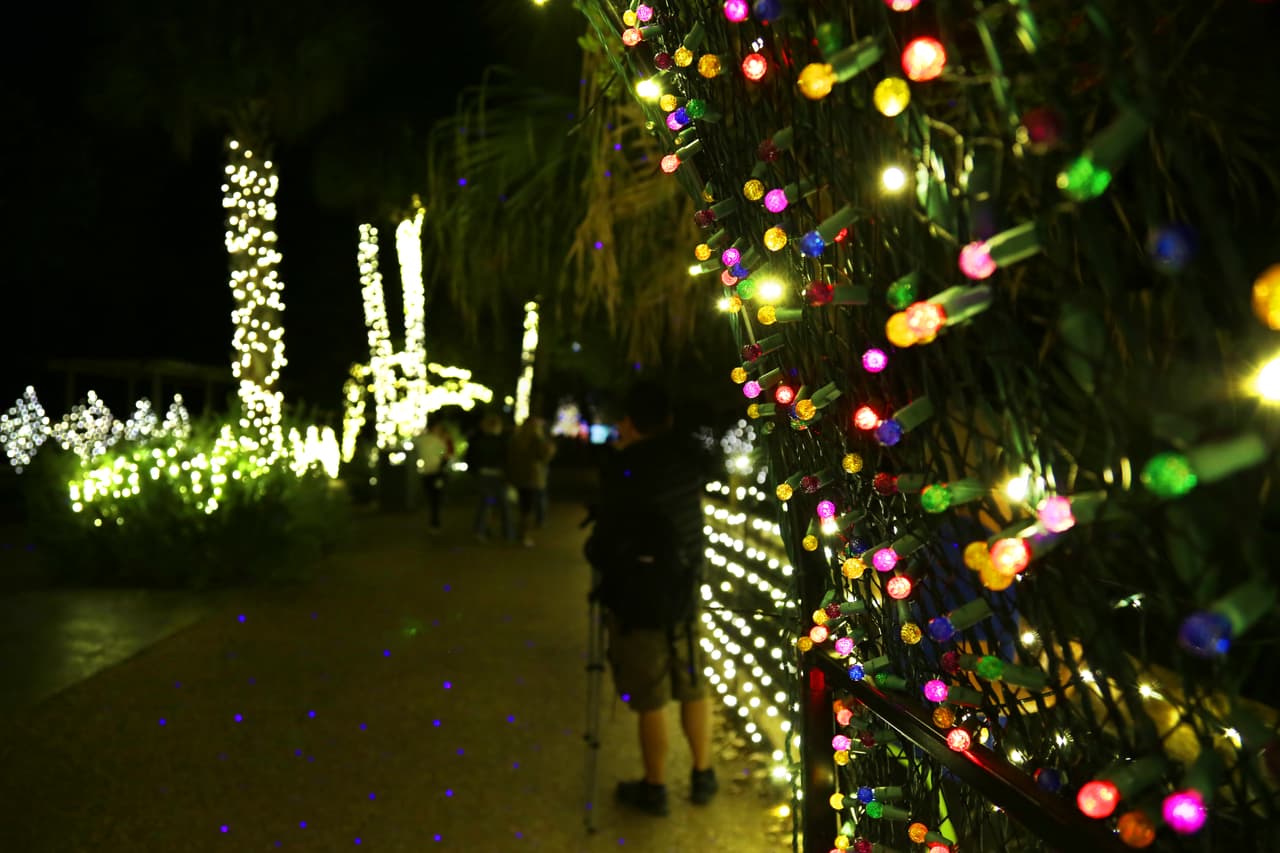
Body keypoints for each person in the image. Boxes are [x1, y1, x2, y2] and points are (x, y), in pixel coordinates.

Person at [586, 378, 718, 816]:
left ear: (629, 421)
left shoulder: (625, 469)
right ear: (668, 420)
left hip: (640, 600)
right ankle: (703, 775)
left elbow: (605, 543)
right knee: (693, 685)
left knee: (651, 697)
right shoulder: (686, 460)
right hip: (686, 589)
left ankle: (655, 786)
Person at [507, 414, 557, 547]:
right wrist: (550, 449)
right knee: (528, 508)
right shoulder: (536, 439)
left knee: (523, 506)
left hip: (518, 477)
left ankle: (518, 532)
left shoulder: (516, 438)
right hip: (532, 477)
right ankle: (524, 534)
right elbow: (544, 456)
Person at [466, 410, 513, 542]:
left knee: (488, 504)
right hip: (494, 475)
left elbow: (471, 458)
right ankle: (505, 533)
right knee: (497, 505)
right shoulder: (501, 440)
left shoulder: (479, 439)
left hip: (488, 475)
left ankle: (484, 531)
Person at [414, 420, 453, 533]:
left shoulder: (422, 440)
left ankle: (434, 522)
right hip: (435, 472)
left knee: (432, 498)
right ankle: (434, 522)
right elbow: (447, 454)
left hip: (427, 473)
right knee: (435, 498)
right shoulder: (437, 441)